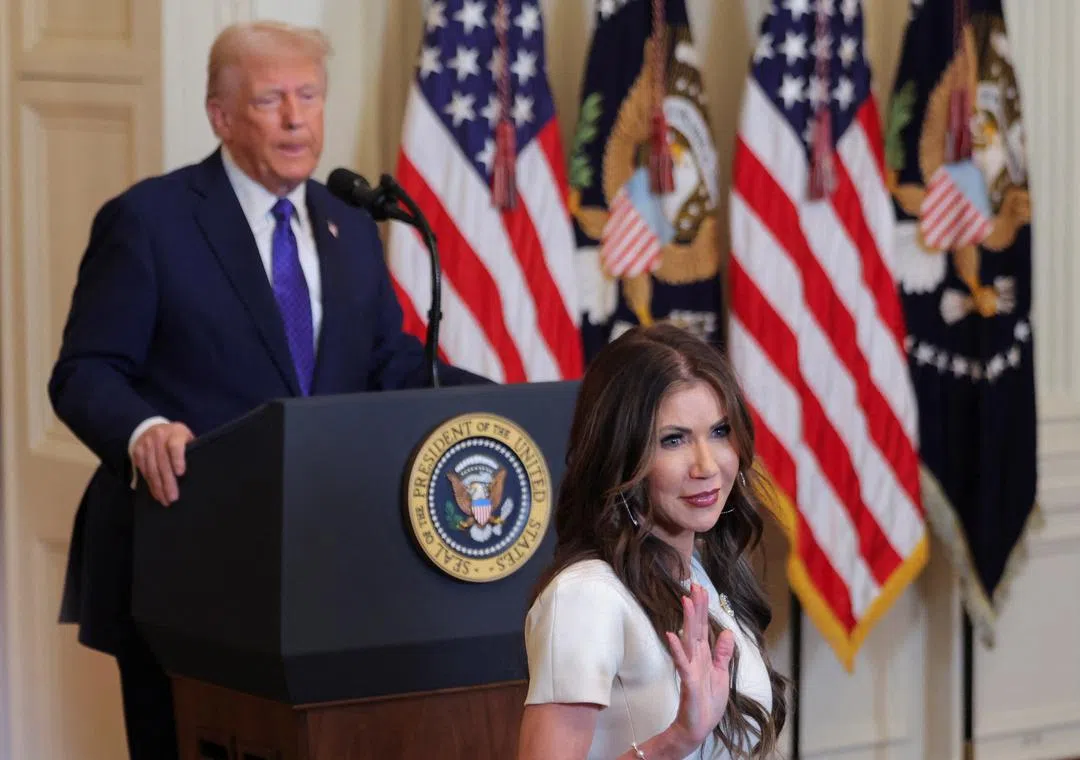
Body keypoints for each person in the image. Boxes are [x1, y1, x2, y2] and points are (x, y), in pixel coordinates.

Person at [48, 21, 483, 760]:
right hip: (184, 552)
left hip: (323, 557)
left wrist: (512, 401)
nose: (296, 118)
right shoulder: (150, 222)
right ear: (220, 115)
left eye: (309, 96)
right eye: (271, 99)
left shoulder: (349, 222)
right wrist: (143, 428)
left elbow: (389, 364)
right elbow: (84, 371)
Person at [517, 324, 790, 760]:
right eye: (674, 440)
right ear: (621, 454)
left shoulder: (700, 574)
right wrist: (675, 740)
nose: (706, 465)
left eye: (720, 432)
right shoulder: (585, 596)